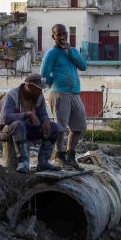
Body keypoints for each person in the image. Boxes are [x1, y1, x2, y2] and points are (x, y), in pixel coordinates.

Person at [40, 24, 88, 170]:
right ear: (53, 36)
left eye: (64, 34)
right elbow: (44, 74)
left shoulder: (72, 50)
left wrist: (70, 52)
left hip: (74, 93)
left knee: (80, 126)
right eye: (59, 34)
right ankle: (60, 157)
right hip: (60, 93)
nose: (62, 37)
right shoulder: (51, 53)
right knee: (60, 128)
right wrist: (54, 83)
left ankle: (71, 155)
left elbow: (83, 66)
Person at [0, 73, 63, 173]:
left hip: (26, 128)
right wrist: (28, 114)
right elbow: (6, 118)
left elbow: (43, 113)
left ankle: (43, 163)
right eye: (38, 89)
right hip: (5, 130)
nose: (40, 91)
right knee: (18, 124)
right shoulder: (12, 95)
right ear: (29, 86)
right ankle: (23, 163)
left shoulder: (39, 96)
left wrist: (45, 120)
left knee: (54, 128)